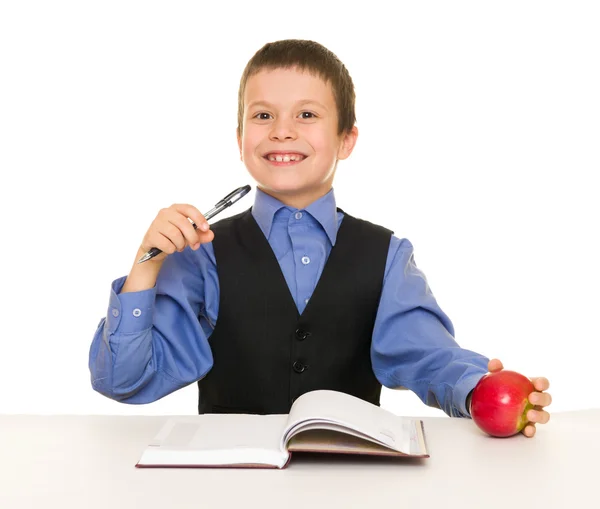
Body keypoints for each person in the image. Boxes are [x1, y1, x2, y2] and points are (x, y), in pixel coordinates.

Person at [89, 39, 551, 437]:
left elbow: (427, 354)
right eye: (263, 115)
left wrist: (479, 391)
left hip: (351, 484)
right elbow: (124, 381)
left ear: (347, 139)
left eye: (306, 114)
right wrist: (147, 265)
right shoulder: (200, 254)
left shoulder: (387, 255)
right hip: (230, 486)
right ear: (240, 137)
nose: (282, 130)